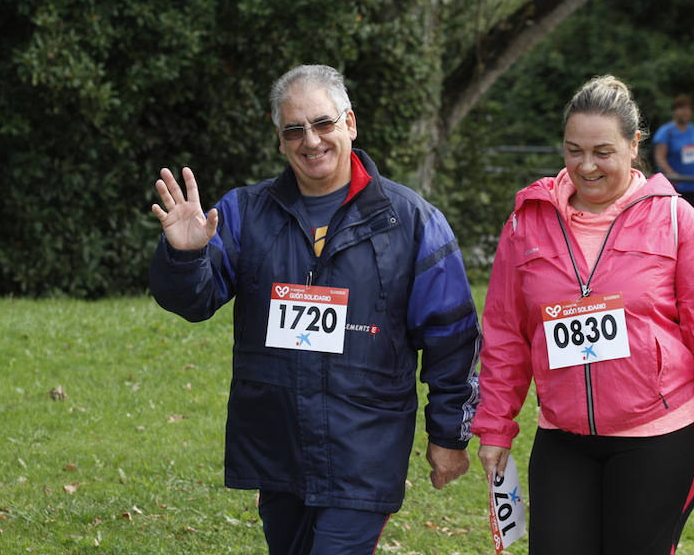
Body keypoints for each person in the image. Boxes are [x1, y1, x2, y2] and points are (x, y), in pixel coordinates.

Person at [148, 64, 480, 554]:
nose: (312, 141)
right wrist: (186, 254)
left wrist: (449, 434)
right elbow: (194, 301)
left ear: (350, 123)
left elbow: (451, 336)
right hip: (278, 446)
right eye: (295, 130)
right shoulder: (244, 212)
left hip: (364, 447)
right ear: (280, 141)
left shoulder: (411, 221)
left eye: (324, 123)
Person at [472, 75, 694, 555]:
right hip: (563, 436)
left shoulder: (675, 220)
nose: (587, 166)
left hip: (659, 437)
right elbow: (505, 334)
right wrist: (496, 426)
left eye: (602, 152)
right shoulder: (527, 222)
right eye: (573, 150)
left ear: (633, 145)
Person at [653, 94, 694, 217]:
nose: (686, 112)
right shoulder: (666, 132)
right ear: (674, 112)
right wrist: (671, 173)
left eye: (688, 109)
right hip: (675, 188)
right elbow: (659, 157)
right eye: (682, 109)